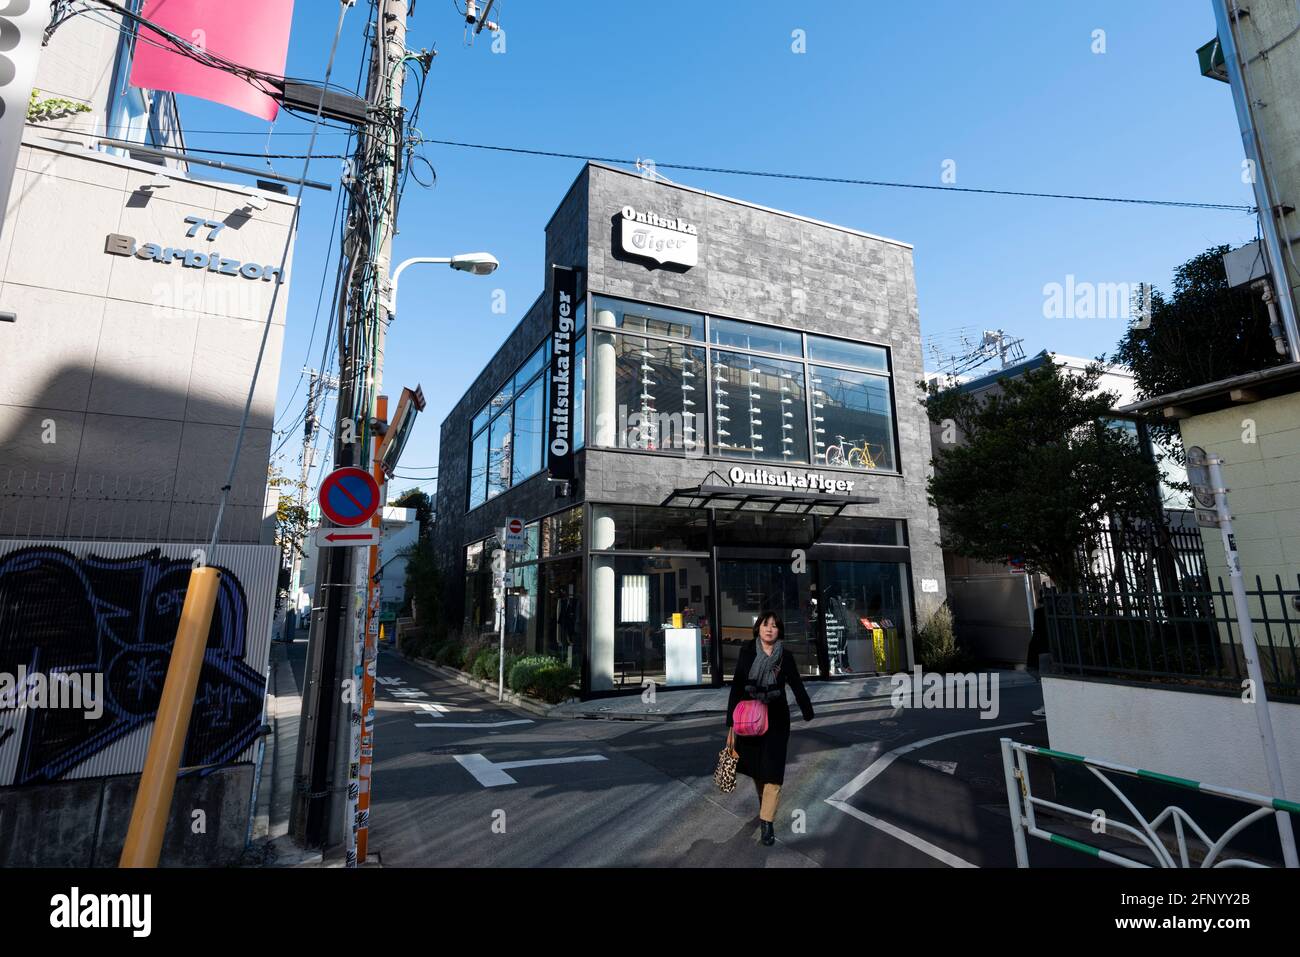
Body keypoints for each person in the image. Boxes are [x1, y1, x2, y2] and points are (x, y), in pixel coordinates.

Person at [725, 610, 814, 846]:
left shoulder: (785, 656)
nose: (769, 628)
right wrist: (730, 723)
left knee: (772, 771)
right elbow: (736, 687)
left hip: (776, 720)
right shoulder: (746, 652)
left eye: (774, 625)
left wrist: (807, 709)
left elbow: (795, 684)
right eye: (766, 624)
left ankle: (767, 823)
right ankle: (765, 803)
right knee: (757, 769)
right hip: (749, 719)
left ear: (779, 631)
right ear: (758, 629)